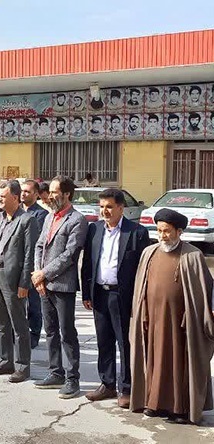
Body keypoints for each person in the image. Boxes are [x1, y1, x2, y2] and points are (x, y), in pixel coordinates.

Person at [129, 209, 214, 425]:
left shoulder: (193, 255)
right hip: (153, 319)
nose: (162, 236)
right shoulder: (149, 253)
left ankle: (180, 409)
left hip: (181, 323)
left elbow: (204, 291)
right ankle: (155, 403)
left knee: (179, 364)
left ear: (179, 231)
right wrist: (142, 312)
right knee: (154, 360)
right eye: (159, 231)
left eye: (167, 231)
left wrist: (196, 315)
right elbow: (141, 287)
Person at [80, 188, 150, 408]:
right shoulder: (94, 229)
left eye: (109, 207)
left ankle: (127, 388)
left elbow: (143, 269)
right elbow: (88, 263)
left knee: (125, 343)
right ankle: (107, 383)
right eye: (102, 207)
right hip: (99, 293)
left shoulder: (137, 232)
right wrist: (86, 293)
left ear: (121, 208)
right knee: (104, 341)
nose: (105, 211)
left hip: (123, 295)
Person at [32, 175, 88, 399]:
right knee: (51, 331)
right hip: (44, 284)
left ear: (67, 194)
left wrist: (44, 273)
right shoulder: (50, 217)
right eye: (51, 192)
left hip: (63, 285)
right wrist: (38, 275)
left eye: (55, 192)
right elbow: (39, 246)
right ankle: (55, 372)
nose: (51, 195)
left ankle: (72, 378)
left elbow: (69, 255)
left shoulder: (77, 220)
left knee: (67, 333)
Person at [0, 181, 38, 383]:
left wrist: (25, 283)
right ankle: (6, 361)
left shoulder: (27, 220)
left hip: (13, 278)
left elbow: (29, 255)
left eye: (3, 196)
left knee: (19, 324)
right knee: (1, 323)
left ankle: (22, 366)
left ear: (15, 197)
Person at [20, 180, 48, 348]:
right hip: (16, 263)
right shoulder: (16, 211)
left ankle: (34, 333)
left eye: (27, 191)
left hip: (32, 264)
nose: (23, 194)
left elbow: (37, 241)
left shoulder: (41, 214)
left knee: (33, 303)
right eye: (22, 191)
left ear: (36, 194)